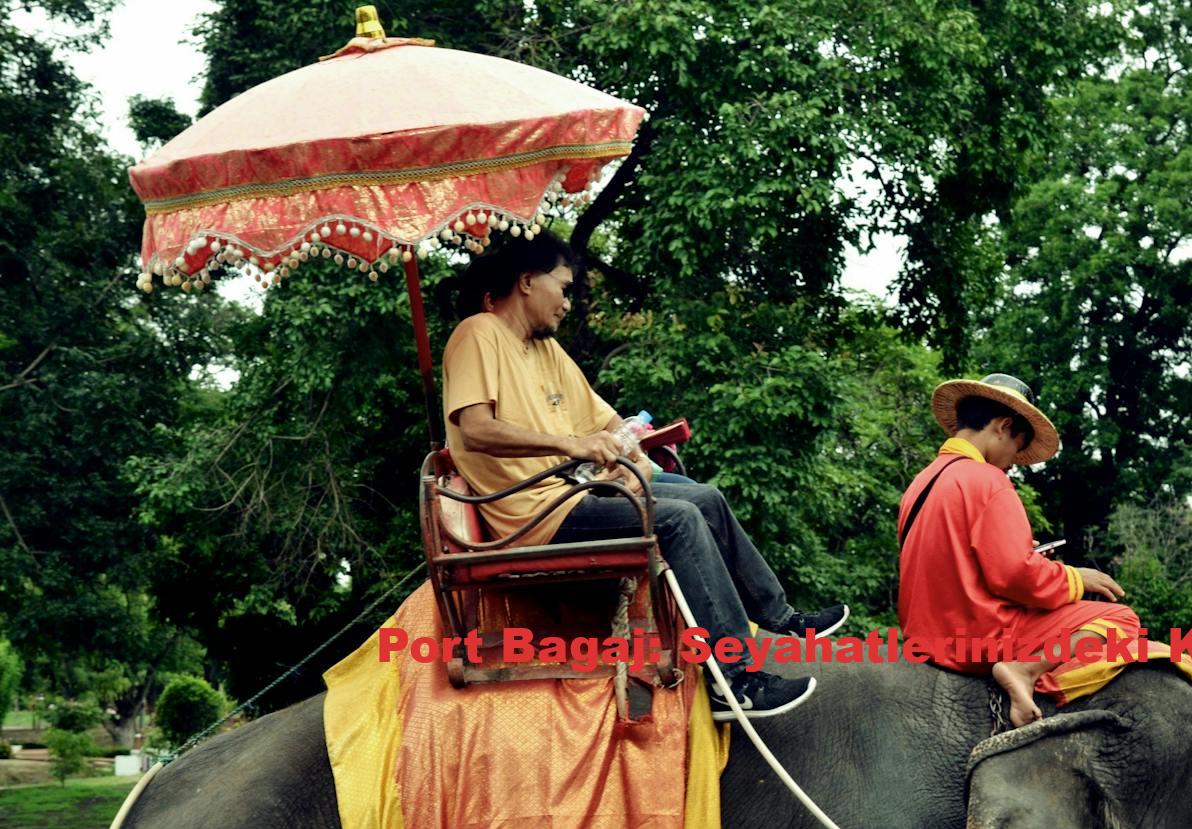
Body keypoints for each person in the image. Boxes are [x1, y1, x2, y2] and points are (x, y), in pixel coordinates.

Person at [440, 233, 846, 719]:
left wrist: (639, 468)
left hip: (580, 487)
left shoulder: (546, 351)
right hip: (537, 511)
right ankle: (734, 681)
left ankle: (780, 615)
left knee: (707, 498)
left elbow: (608, 424)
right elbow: (476, 427)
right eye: (563, 288)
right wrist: (572, 445)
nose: (568, 303)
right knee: (678, 520)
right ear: (526, 282)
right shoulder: (478, 333)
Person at [897, 373, 1140, 727]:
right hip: (976, 638)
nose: (1014, 462)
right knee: (1121, 620)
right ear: (1003, 426)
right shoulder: (988, 480)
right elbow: (1014, 576)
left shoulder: (921, 483)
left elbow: (951, 564)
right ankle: (1024, 672)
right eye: (1017, 446)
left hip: (925, 638)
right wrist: (1075, 577)